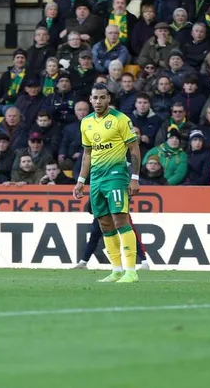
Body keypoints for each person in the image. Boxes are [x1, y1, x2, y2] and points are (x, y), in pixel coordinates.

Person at [73, 83, 142, 283]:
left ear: (108, 98)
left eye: (102, 97)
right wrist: (80, 181)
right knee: (104, 223)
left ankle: (131, 271)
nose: (98, 102)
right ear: (90, 99)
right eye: (95, 98)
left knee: (120, 219)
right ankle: (117, 270)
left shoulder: (121, 119)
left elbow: (134, 149)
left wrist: (135, 178)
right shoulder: (86, 122)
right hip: (96, 178)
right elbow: (87, 153)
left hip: (116, 175)